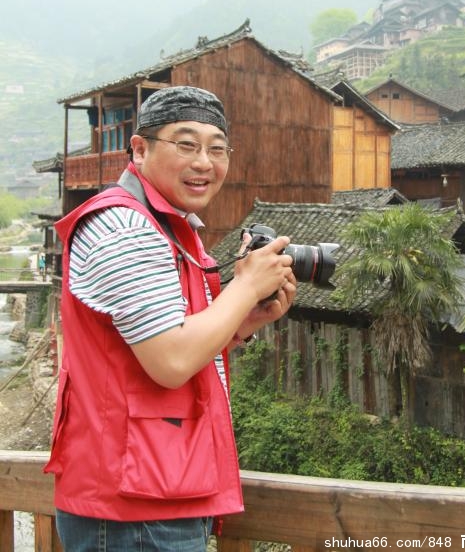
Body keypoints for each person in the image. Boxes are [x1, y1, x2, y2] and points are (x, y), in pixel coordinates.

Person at [44, 85, 297, 552]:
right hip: (132, 505)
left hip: (156, 484)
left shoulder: (167, 226)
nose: (204, 163)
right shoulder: (125, 228)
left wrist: (242, 322)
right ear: (139, 149)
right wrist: (244, 287)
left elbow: (152, 346)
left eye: (217, 149)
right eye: (186, 145)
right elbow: (171, 361)